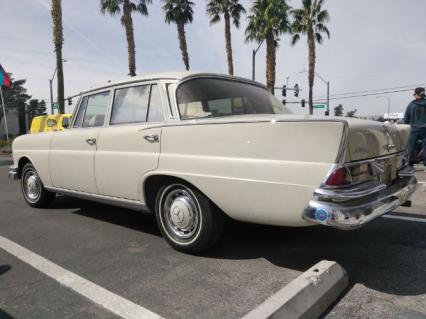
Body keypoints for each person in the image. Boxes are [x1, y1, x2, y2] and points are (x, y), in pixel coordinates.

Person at [404, 87, 426, 170]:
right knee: (425, 147)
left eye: (414, 94)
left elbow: (406, 117)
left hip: (413, 129)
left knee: (411, 146)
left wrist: (406, 127)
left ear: (417, 94)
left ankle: (410, 164)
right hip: (425, 129)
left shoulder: (411, 104)